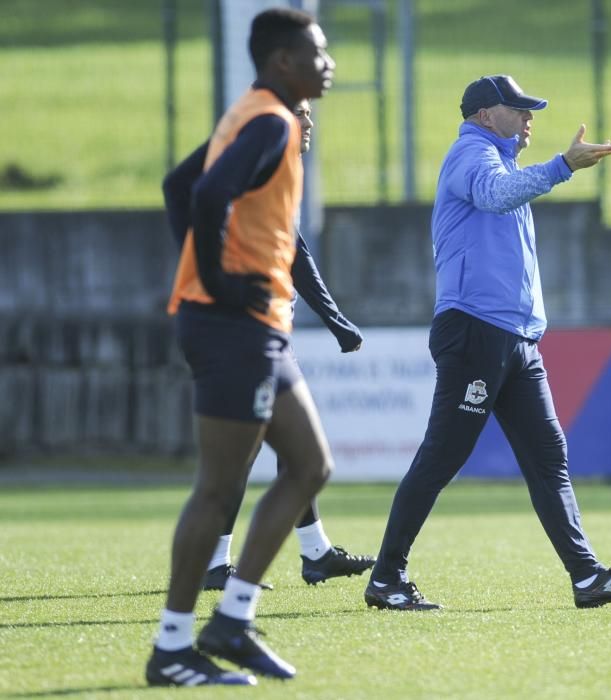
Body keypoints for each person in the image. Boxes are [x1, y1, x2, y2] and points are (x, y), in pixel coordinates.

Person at [363, 75, 611, 612]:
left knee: (550, 458)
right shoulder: (469, 155)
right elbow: (494, 196)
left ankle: (587, 577)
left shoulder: (502, 162)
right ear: (482, 115)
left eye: (530, 109)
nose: (529, 117)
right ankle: (386, 579)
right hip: (475, 332)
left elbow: (505, 200)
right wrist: (562, 166)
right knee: (442, 457)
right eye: (517, 108)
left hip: (515, 340)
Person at [146, 8, 336, 687]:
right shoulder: (270, 121)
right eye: (316, 52)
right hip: (234, 327)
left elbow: (178, 188)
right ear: (282, 61)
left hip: (250, 326)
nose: (329, 62)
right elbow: (206, 195)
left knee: (310, 465)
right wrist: (220, 286)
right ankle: (172, 648)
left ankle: (231, 621)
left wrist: (204, 278)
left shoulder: (258, 114)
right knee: (218, 489)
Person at [163, 99, 375, 592]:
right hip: (241, 329)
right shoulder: (261, 136)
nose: (310, 121)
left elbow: (294, 250)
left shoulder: (278, 155)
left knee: (299, 455)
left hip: (267, 329)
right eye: (304, 110)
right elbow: (184, 190)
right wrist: (211, 281)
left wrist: (334, 319)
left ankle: (314, 553)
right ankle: (211, 581)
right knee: (247, 457)